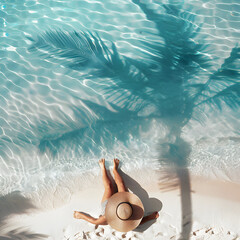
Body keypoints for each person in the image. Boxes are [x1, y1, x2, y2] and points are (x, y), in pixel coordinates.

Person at [74, 158, 159, 232]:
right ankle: (115, 169)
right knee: (121, 185)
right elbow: (140, 221)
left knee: (109, 187)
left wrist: (81, 216)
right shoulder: (127, 209)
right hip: (123, 203)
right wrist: (150, 217)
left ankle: (103, 169)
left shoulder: (107, 218)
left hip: (107, 207)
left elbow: (94, 221)